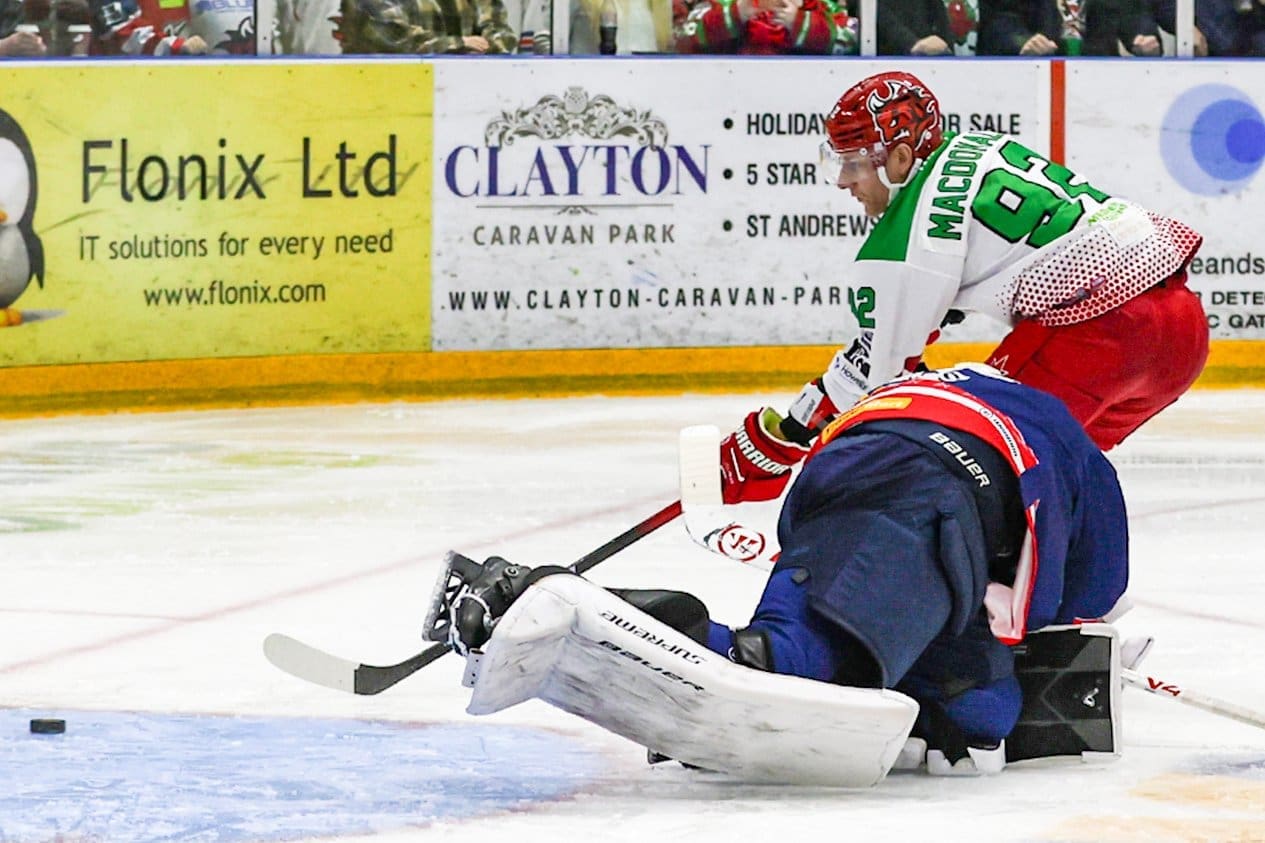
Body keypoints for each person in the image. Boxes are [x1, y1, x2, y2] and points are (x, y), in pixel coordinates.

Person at [444, 364, 1130, 776]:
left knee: (981, 712)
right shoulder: (1070, 439)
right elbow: (1091, 592)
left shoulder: (968, 390)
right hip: (931, 494)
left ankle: (788, 654)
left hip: (852, 473)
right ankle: (530, 592)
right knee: (785, 660)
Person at [719, 70, 1207, 508]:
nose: (844, 182)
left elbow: (879, 382)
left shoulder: (902, 240)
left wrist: (781, 439)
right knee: (1051, 474)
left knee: (966, 462)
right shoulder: (977, 144)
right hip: (1183, 332)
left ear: (902, 157)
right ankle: (1063, 589)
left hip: (1101, 338)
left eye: (854, 164)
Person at [673, 0, 857, 55]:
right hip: (726, 96)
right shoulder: (722, 3)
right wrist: (737, 12)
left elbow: (850, 40)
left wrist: (799, 23)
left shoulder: (821, 5)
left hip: (804, 106)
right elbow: (685, 37)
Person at [333, 0, 516, 53]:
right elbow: (390, 37)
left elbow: (498, 28)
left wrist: (490, 47)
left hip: (459, 95)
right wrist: (458, 45)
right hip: (383, 95)